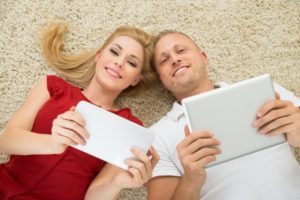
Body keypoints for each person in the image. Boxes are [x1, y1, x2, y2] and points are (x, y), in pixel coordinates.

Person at [0, 21, 159, 200]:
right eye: (114, 52)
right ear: (98, 56)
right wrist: (52, 143)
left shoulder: (130, 127)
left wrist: (117, 183)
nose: (119, 62)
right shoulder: (52, 86)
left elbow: (93, 197)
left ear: (135, 80)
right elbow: (5, 141)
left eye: (131, 62)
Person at [147, 30, 300, 200]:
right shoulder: (157, 137)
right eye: (164, 60)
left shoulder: (267, 91)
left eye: (181, 51)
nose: (175, 60)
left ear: (203, 57)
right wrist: (191, 179)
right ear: (161, 79)